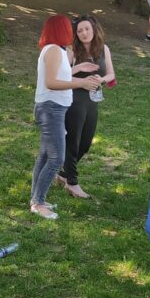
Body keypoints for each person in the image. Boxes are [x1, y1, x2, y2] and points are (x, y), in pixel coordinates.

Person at [30, 15, 101, 219]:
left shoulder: (59, 50)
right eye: (69, 28)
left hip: (55, 109)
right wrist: (81, 83)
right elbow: (51, 82)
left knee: (45, 156)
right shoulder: (53, 49)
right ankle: (38, 203)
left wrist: (79, 69)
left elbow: (60, 75)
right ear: (60, 29)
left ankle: (36, 199)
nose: (73, 32)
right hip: (50, 109)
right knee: (56, 158)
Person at [58, 15, 115, 199]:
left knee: (86, 143)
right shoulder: (72, 50)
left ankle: (63, 173)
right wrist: (80, 70)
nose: (84, 33)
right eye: (80, 30)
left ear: (94, 29)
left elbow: (111, 74)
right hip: (75, 98)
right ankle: (72, 183)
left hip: (92, 100)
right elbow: (61, 75)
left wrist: (101, 79)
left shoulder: (104, 49)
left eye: (87, 29)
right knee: (73, 141)